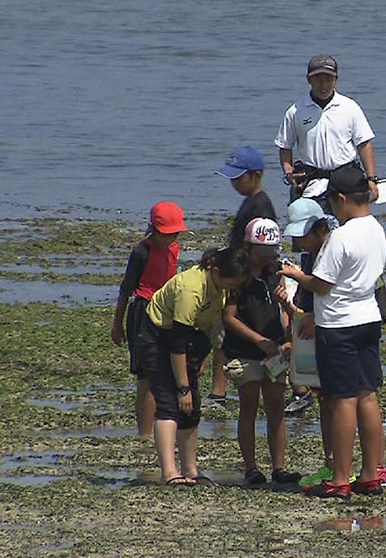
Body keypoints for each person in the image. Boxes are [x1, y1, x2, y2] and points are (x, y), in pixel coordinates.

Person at [280, 166, 386, 499]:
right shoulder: (376, 229)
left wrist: (294, 274)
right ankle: (371, 472)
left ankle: (340, 477)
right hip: (368, 317)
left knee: (342, 400)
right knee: (368, 395)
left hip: (339, 324)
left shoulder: (342, 235)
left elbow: (323, 285)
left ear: (341, 199)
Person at [134, 247, 252, 485]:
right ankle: (169, 473)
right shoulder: (191, 288)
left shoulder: (218, 287)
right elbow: (176, 341)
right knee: (169, 403)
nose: (232, 288)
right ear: (216, 270)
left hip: (189, 340)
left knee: (191, 408)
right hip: (158, 337)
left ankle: (191, 470)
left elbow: (208, 327)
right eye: (231, 282)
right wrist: (183, 387)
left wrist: (200, 359)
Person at [221, 218, 301, 488]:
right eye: (261, 252)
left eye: (271, 252)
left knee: (276, 405)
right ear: (247, 246)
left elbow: (289, 314)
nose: (266, 258)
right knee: (249, 405)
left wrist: (288, 337)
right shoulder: (238, 274)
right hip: (245, 349)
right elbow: (229, 318)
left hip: (275, 349)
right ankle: (251, 468)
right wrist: (258, 340)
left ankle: (279, 467)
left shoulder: (276, 271)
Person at [202, 146, 279, 411]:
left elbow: (262, 248)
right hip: (236, 270)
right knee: (222, 333)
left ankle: (218, 392)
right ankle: (218, 391)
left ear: (256, 175)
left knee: (225, 332)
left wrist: (242, 274)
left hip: (243, 277)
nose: (235, 183)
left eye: (239, 178)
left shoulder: (261, 205)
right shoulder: (250, 200)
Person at [111, 201, 187, 438]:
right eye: (168, 233)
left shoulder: (174, 248)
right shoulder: (141, 251)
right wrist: (117, 325)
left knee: (167, 371)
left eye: (175, 233)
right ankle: (144, 433)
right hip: (142, 311)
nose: (172, 237)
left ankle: (164, 428)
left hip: (167, 308)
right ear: (155, 230)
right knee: (146, 375)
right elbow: (126, 290)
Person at [275, 54, 379, 208]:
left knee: (348, 229)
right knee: (308, 228)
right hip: (311, 184)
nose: (323, 85)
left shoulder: (350, 107)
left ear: (336, 80)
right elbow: (285, 146)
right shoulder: (295, 111)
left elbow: (364, 144)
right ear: (309, 80)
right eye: (318, 79)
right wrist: (289, 173)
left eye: (328, 79)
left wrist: (371, 179)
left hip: (347, 182)